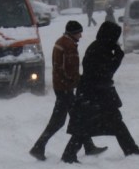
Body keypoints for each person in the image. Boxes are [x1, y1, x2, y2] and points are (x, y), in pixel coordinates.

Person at [60, 20, 139, 163]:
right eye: (115, 36)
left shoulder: (101, 47)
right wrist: (117, 58)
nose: (116, 40)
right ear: (109, 36)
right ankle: (68, 155)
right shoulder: (99, 50)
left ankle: (130, 148)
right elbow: (106, 73)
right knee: (86, 126)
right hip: (94, 94)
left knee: (112, 122)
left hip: (97, 93)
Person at [29, 20, 106, 161]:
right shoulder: (68, 45)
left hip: (62, 87)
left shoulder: (62, 42)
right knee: (67, 120)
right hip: (65, 88)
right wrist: (76, 80)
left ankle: (88, 146)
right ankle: (38, 147)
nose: (81, 35)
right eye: (79, 32)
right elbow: (67, 69)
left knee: (75, 118)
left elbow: (61, 67)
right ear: (73, 33)